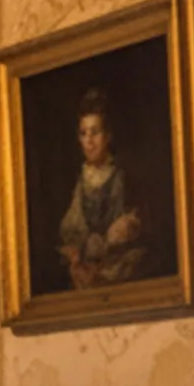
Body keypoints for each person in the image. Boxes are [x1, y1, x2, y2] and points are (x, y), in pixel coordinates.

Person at [57, 89, 149, 288]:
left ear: (107, 136)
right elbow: (70, 231)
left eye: (95, 133)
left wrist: (114, 237)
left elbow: (127, 231)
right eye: (83, 134)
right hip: (86, 265)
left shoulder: (120, 178)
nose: (89, 142)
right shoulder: (81, 181)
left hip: (115, 265)